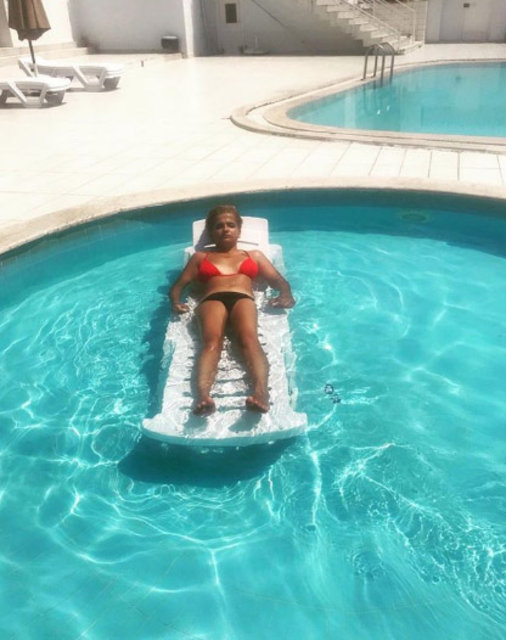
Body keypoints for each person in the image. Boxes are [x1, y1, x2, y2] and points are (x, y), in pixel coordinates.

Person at [169, 204, 295, 415]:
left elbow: (278, 281)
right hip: (212, 300)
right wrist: (175, 301)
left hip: (242, 298)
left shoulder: (254, 255)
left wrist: (286, 295)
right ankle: (203, 397)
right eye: (219, 226)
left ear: (239, 230)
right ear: (211, 232)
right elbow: (178, 286)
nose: (225, 229)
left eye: (231, 225)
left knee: (249, 339)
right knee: (212, 342)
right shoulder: (200, 257)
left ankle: (261, 393)